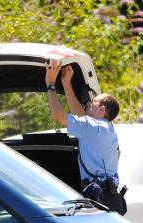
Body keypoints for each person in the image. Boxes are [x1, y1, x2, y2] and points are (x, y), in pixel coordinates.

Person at [44, 59, 125, 214]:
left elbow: (58, 116)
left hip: (97, 200)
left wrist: (50, 84)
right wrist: (67, 84)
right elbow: (80, 116)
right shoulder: (108, 129)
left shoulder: (91, 127)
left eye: (93, 101)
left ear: (102, 109)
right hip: (113, 200)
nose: (88, 103)